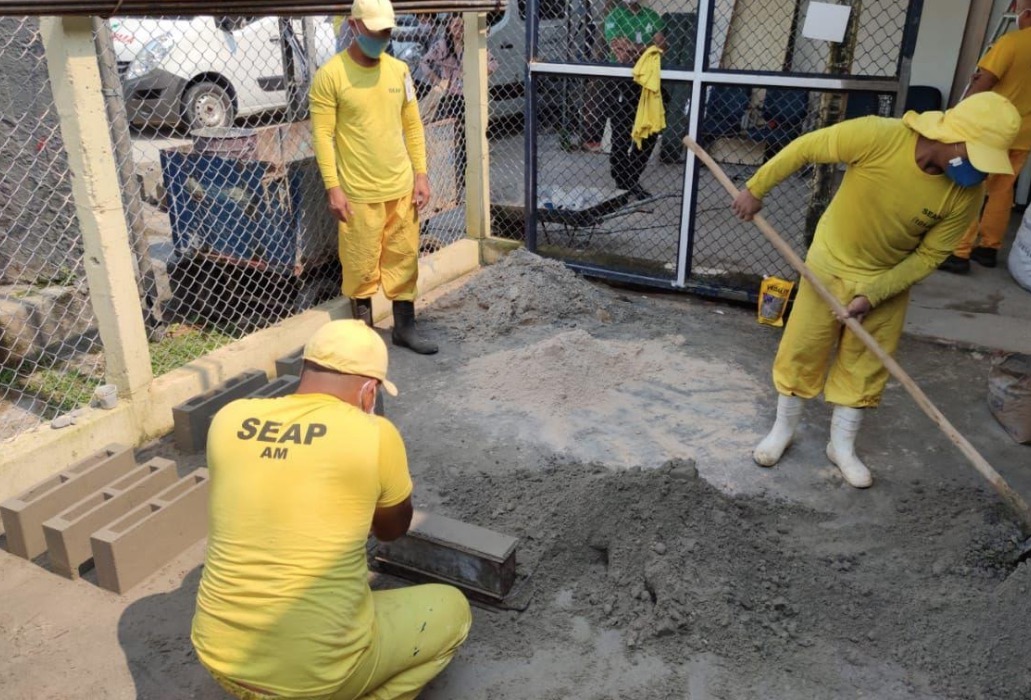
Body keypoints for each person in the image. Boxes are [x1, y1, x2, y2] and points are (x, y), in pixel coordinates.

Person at [732, 92, 1020, 489]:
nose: (981, 172)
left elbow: (930, 255)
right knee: (803, 348)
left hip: (887, 279)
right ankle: (783, 430)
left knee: (865, 364)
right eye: (978, 157)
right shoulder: (879, 136)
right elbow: (806, 148)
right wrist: (755, 189)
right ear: (953, 137)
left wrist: (875, 294)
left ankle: (841, 446)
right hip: (830, 265)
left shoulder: (966, 194)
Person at [191, 319, 472, 700]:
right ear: (369, 392)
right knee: (452, 609)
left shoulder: (229, 418)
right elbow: (391, 531)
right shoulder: (374, 434)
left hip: (218, 658)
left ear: (305, 370)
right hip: (316, 680)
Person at [311, 0, 438, 355]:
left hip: (401, 189)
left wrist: (421, 174)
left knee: (404, 258)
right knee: (360, 265)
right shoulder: (331, 76)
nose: (381, 37)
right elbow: (322, 135)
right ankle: (364, 337)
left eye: (386, 31)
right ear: (354, 26)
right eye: (374, 31)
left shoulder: (399, 71)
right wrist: (333, 188)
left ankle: (404, 328)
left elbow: (413, 126)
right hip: (359, 195)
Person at [940, 0, 1031, 274]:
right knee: (1002, 191)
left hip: (991, 131)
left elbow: (984, 81)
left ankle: (959, 251)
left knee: (971, 186)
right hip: (1023, 134)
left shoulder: (1011, 43)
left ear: (1027, 14)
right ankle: (989, 248)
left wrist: (958, 114)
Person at [419, 14, 497, 192]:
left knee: (471, 138)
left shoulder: (473, 45)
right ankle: (453, 178)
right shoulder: (442, 46)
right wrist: (436, 80)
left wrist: (478, 72)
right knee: (452, 139)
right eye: (455, 26)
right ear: (448, 28)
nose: (459, 30)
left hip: (470, 96)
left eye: (462, 27)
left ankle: (469, 178)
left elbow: (493, 64)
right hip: (450, 97)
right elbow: (424, 62)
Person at [604, 0, 666, 198]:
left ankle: (630, 180)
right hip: (622, 80)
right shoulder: (615, 16)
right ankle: (623, 183)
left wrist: (632, 47)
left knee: (649, 132)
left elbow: (662, 47)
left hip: (646, 80)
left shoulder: (652, 17)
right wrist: (646, 49)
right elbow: (618, 50)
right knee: (621, 133)